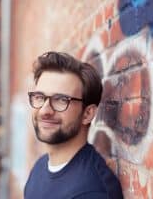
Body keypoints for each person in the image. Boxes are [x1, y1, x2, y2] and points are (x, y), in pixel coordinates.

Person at [24, 51, 123, 199]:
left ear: (87, 114)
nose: (45, 110)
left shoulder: (92, 190)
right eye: (39, 97)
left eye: (61, 100)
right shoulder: (40, 167)